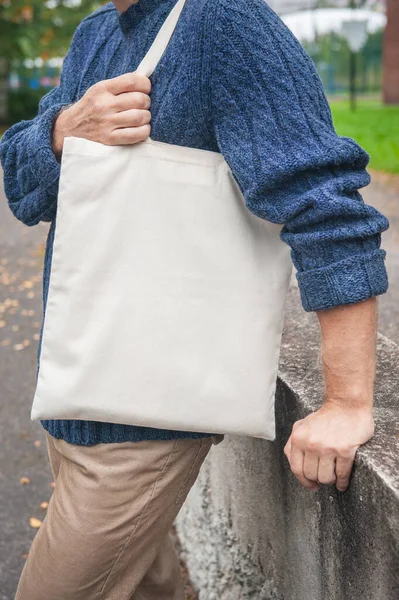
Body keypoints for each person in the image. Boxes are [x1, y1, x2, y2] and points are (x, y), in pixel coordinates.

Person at [0, 0, 389, 598]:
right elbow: (27, 192)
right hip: (75, 391)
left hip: (145, 415)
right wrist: (62, 130)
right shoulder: (95, 34)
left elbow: (327, 210)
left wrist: (346, 402)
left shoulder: (224, 21)